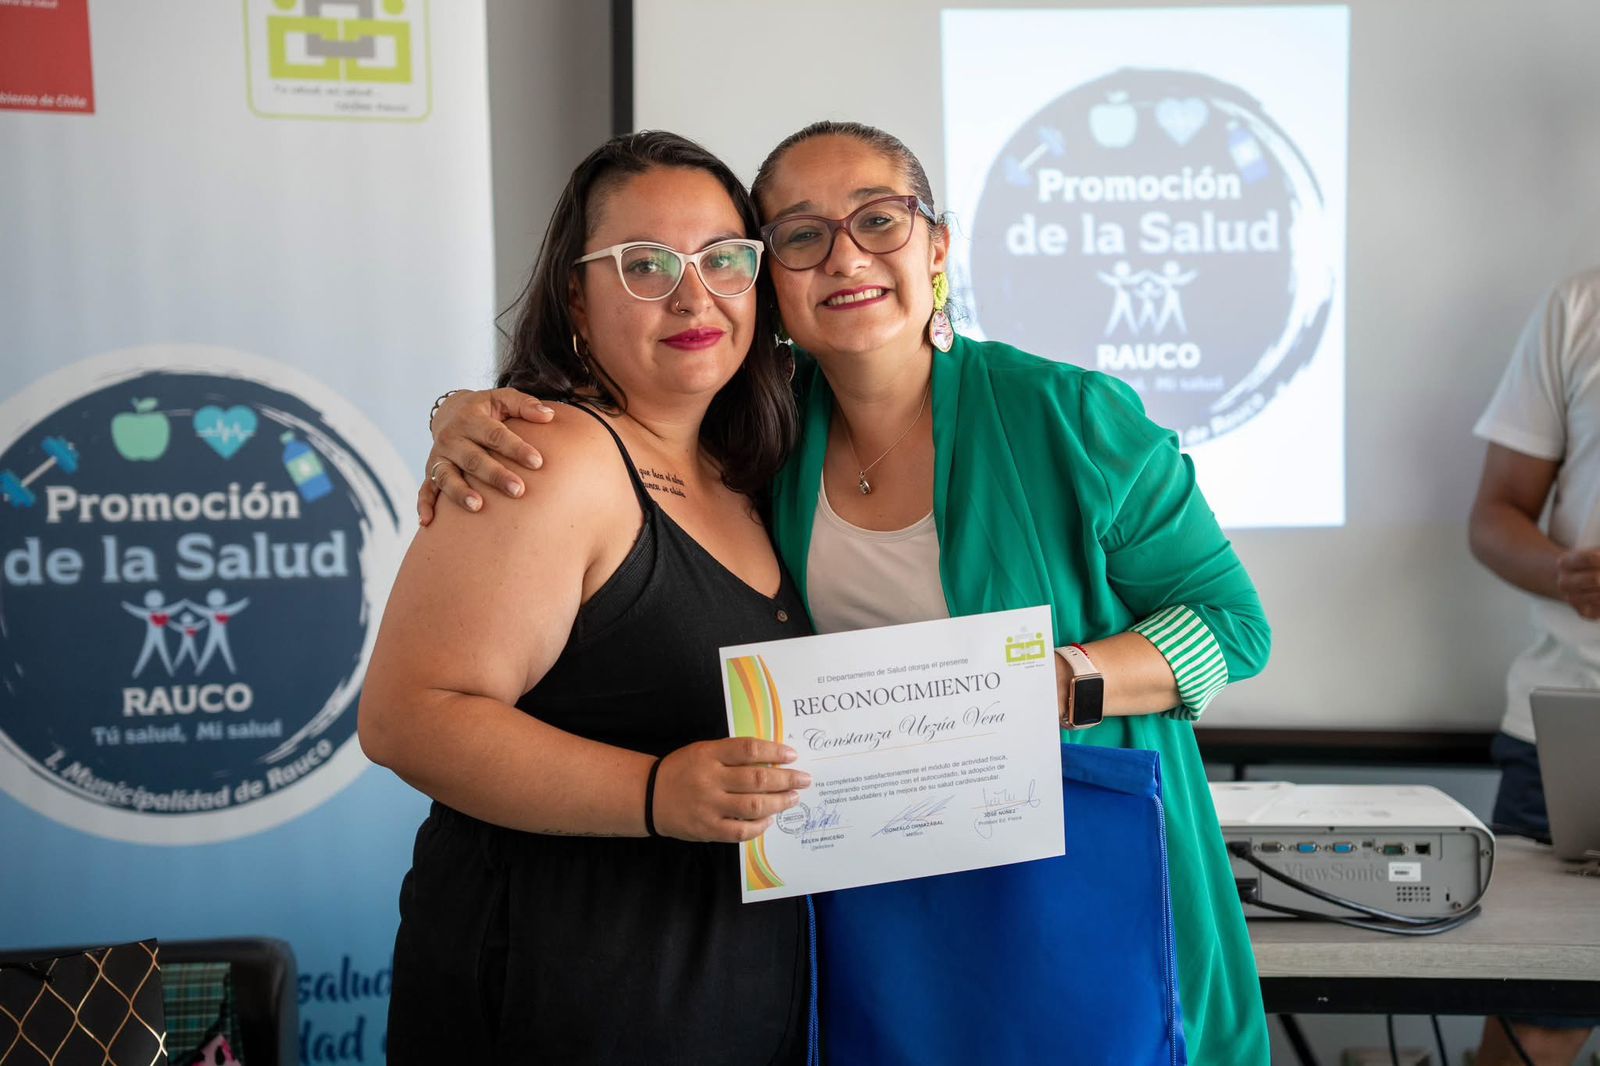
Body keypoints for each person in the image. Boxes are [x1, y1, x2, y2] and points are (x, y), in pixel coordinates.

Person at [423, 121, 1273, 1064]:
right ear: (771, 283)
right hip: (867, 905)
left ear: (937, 248)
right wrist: (461, 413)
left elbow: (1234, 627)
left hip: (1070, 888)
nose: (845, 257)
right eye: (800, 235)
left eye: (879, 220)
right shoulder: (759, 430)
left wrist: (1053, 684)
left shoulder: (1070, 416)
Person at [358, 131, 817, 1063]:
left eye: (724, 259)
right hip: (559, 990)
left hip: (724, 990)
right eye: (644, 265)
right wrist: (654, 791)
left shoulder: (752, 470)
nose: (694, 296)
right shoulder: (551, 457)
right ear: (575, 296)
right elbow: (408, 717)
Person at [1468, 266, 1600, 1066]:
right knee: (1536, 1036)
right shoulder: (1580, 307)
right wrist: (1563, 573)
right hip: (1576, 734)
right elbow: (1493, 517)